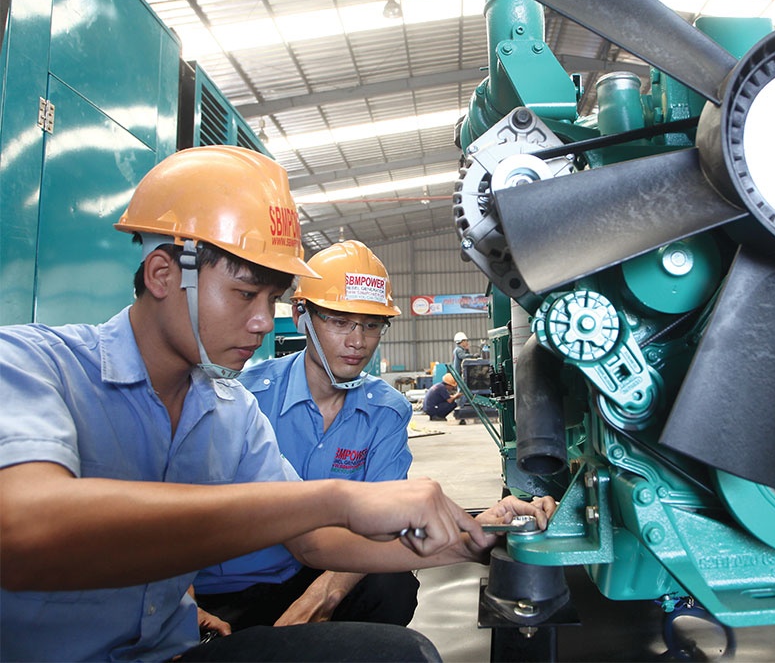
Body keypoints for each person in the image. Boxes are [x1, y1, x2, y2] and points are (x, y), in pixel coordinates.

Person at [0, 145, 556, 662]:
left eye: (271, 298)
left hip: (176, 647)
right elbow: (25, 529)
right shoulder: (33, 365)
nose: (265, 321)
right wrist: (338, 498)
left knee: (402, 654)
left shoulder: (230, 412)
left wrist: (472, 538)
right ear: (163, 274)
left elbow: (314, 542)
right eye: (246, 294)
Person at [193, 241, 419, 632]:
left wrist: (322, 596)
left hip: (319, 570)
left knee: (392, 583)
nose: (357, 341)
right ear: (301, 315)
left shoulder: (387, 412)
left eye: (371, 325)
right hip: (230, 587)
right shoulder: (244, 398)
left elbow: (384, 524)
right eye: (340, 321)